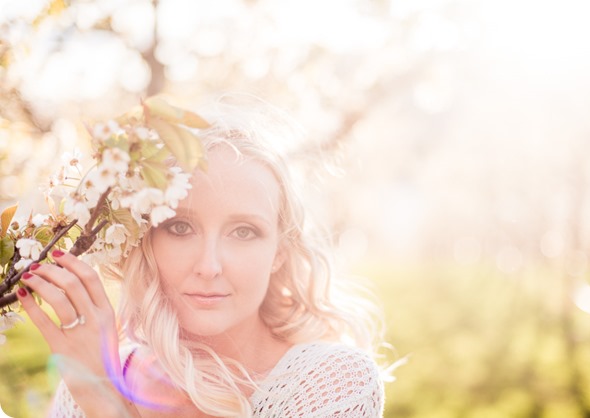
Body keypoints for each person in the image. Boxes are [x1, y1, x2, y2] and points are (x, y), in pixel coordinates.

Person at [16, 100, 386, 417]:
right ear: (146, 239)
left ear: (279, 252)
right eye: (180, 228)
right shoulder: (92, 375)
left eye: (243, 232)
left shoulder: (331, 382)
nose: (209, 267)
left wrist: (105, 403)